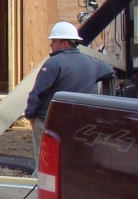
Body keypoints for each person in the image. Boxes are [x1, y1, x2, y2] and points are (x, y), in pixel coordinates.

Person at [24, 21, 114, 170]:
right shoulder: (92, 63)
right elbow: (110, 72)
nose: (51, 45)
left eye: (54, 41)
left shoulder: (53, 64)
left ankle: (43, 186)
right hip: (77, 122)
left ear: (65, 44)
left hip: (48, 120)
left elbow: (37, 93)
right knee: (70, 162)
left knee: (46, 163)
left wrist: (30, 114)